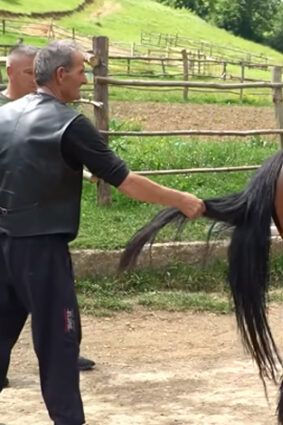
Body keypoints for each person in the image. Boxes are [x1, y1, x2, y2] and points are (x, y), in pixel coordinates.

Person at [0, 40, 205, 425]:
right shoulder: (70, 123)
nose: (85, 79)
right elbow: (125, 181)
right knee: (59, 347)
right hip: (41, 252)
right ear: (60, 75)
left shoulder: (5, 117)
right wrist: (180, 199)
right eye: (81, 71)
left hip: (3, 242)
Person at [0, 44, 98, 381]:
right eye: (28, 73)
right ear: (10, 72)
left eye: (36, 72)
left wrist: (85, 171)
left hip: (36, 221)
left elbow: (44, 162)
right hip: (12, 221)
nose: (34, 80)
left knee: (47, 296)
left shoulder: (43, 113)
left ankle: (64, 350)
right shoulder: (6, 112)